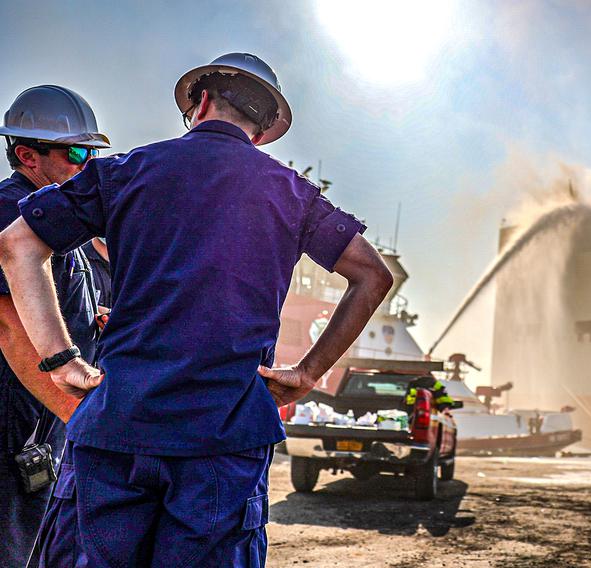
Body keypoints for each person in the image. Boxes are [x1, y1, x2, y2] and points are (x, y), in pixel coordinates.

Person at [0, 52, 392, 567]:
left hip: (118, 429)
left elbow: (18, 245)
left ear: (201, 100)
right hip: (224, 438)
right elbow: (372, 275)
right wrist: (307, 373)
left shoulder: (125, 172)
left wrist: (59, 359)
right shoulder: (290, 192)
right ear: (263, 129)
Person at [0, 85, 109, 566]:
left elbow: (61, 303)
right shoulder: (10, 212)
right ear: (27, 154)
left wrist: (95, 323)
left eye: (93, 152)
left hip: (44, 419)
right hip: (17, 419)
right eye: (77, 152)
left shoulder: (56, 219)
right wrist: (76, 415)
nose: (87, 164)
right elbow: (7, 326)